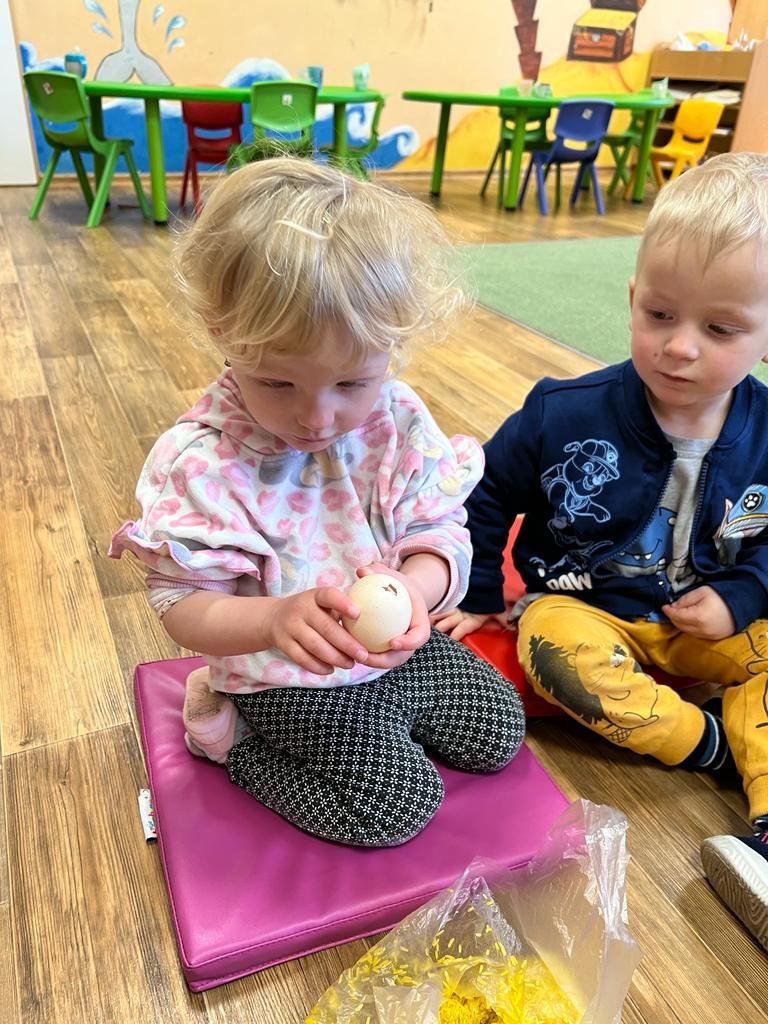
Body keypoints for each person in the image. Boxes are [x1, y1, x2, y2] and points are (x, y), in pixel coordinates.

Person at [110, 157, 524, 849]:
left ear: (391, 349)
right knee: (395, 807)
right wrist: (274, 621)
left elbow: (438, 528)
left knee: (498, 730)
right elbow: (182, 605)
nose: (317, 418)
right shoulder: (205, 463)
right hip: (284, 680)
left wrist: (417, 590)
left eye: (352, 383)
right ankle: (230, 740)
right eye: (278, 383)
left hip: (394, 656)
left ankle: (385, 723)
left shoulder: (396, 418)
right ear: (222, 331)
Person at [433, 152, 768, 951]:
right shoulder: (563, 410)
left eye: (719, 330)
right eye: (659, 315)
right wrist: (479, 593)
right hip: (585, 607)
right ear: (631, 299)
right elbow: (485, 493)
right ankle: (711, 742)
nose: (679, 347)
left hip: (705, 622)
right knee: (551, 651)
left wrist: (744, 595)